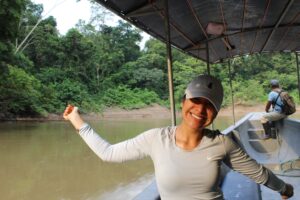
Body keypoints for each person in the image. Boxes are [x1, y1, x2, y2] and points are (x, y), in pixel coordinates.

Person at [63, 75, 294, 200]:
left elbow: (257, 172)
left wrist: (284, 188)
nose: (201, 111)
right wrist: (77, 121)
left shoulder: (221, 143)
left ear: (215, 112)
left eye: (209, 106)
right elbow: (108, 153)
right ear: (183, 102)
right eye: (196, 101)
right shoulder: (156, 138)